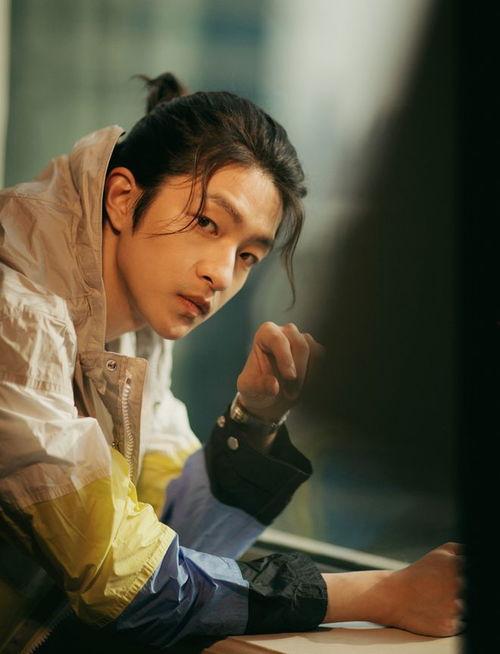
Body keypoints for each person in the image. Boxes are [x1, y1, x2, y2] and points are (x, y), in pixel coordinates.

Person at [0, 72, 462, 651]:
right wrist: (380, 593)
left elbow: (177, 536)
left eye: (247, 256)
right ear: (122, 197)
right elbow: (128, 584)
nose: (220, 274)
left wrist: (254, 418)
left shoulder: (135, 328)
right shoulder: (17, 312)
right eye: (206, 223)